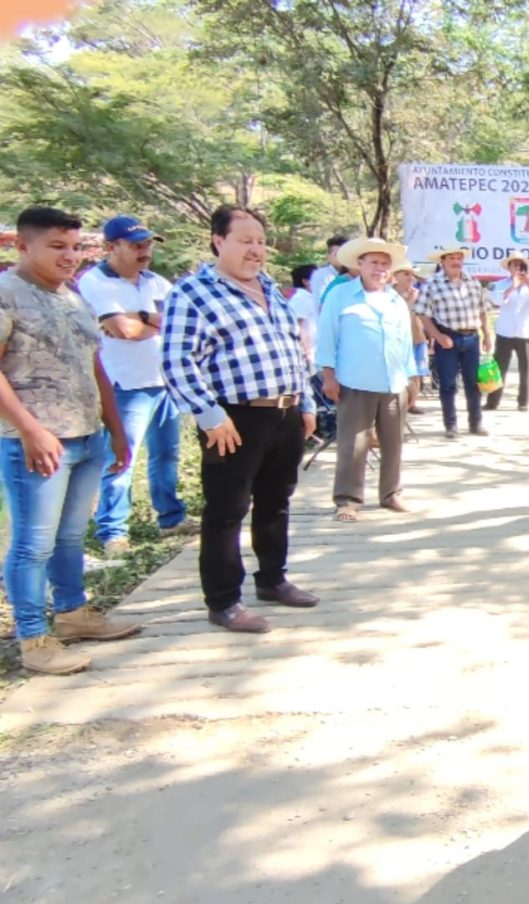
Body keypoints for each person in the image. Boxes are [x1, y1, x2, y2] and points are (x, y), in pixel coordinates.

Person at [162, 205, 321, 634]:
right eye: (245, 240)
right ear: (219, 241)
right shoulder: (193, 293)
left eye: (260, 241)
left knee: (276, 502)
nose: (256, 250)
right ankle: (224, 601)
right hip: (232, 418)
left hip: (284, 412)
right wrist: (210, 415)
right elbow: (178, 361)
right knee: (227, 509)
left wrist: (305, 403)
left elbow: (293, 349)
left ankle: (273, 579)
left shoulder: (270, 288)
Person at [0, 206, 139, 675]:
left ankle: (73, 614)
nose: (70, 256)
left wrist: (116, 429)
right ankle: (33, 639)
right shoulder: (6, 293)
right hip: (38, 444)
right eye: (57, 246)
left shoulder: (73, 298)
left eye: (75, 247)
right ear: (23, 246)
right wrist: (31, 429)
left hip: (86, 436)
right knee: (32, 544)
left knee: (68, 537)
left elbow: (95, 366)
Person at [78, 215, 194, 557]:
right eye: (136, 245)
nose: (144, 252)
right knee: (120, 458)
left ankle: (170, 516)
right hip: (124, 383)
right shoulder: (96, 283)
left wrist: (139, 316)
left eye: (147, 245)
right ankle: (113, 530)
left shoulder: (156, 283)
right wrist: (149, 319)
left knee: (167, 454)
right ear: (111, 247)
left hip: (163, 381)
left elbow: (177, 325)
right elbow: (121, 331)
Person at [315, 237, 416, 521]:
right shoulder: (340, 295)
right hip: (355, 380)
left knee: (393, 441)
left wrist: (412, 377)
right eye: (374, 262)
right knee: (354, 443)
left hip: (394, 382)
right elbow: (327, 337)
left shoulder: (396, 299)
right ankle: (347, 500)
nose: (380, 268)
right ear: (360, 264)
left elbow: (405, 341)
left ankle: (391, 493)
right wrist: (328, 375)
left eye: (385, 264)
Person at [416, 246, 493, 439]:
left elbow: (483, 311)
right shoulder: (432, 284)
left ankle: (476, 423)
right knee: (448, 384)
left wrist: (487, 335)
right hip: (447, 338)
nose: (455, 261)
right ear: (443, 261)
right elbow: (423, 314)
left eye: (459, 257)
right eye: (451, 258)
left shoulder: (473, 282)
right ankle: (451, 425)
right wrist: (438, 336)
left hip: (471, 337)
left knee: (473, 383)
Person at [486, 253, 529, 412]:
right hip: (505, 332)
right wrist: (513, 287)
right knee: (499, 369)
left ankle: (523, 402)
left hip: (525, 333)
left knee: (525, 370)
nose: (517, 268)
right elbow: (497, 300)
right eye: (514, 265)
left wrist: (528, 284)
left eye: (520, 265)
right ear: (509, 268)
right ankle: (493, 402)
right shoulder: (501, 284)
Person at [389, 260, 428, 415]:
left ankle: (412, 403)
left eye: (412, 274)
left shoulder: (419, 294)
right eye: (405, 274)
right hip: (396, 341)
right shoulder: (388, 295)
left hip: (418, 338)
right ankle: (399, 403)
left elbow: (428, 316)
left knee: (416, 372)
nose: (410, 277)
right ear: (395, 276)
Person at [287, 263, 319, 365]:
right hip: (310, 353)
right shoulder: (300, 299)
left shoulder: (310, 298)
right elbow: (299, 325)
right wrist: (307, 351)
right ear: (306, 281)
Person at [309, 235, 347, 301]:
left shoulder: (352, 274)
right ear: (328, 256)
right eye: (337, 254)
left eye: (344, 254)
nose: (341, 257)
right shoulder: (322, 275)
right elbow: (320, 302)